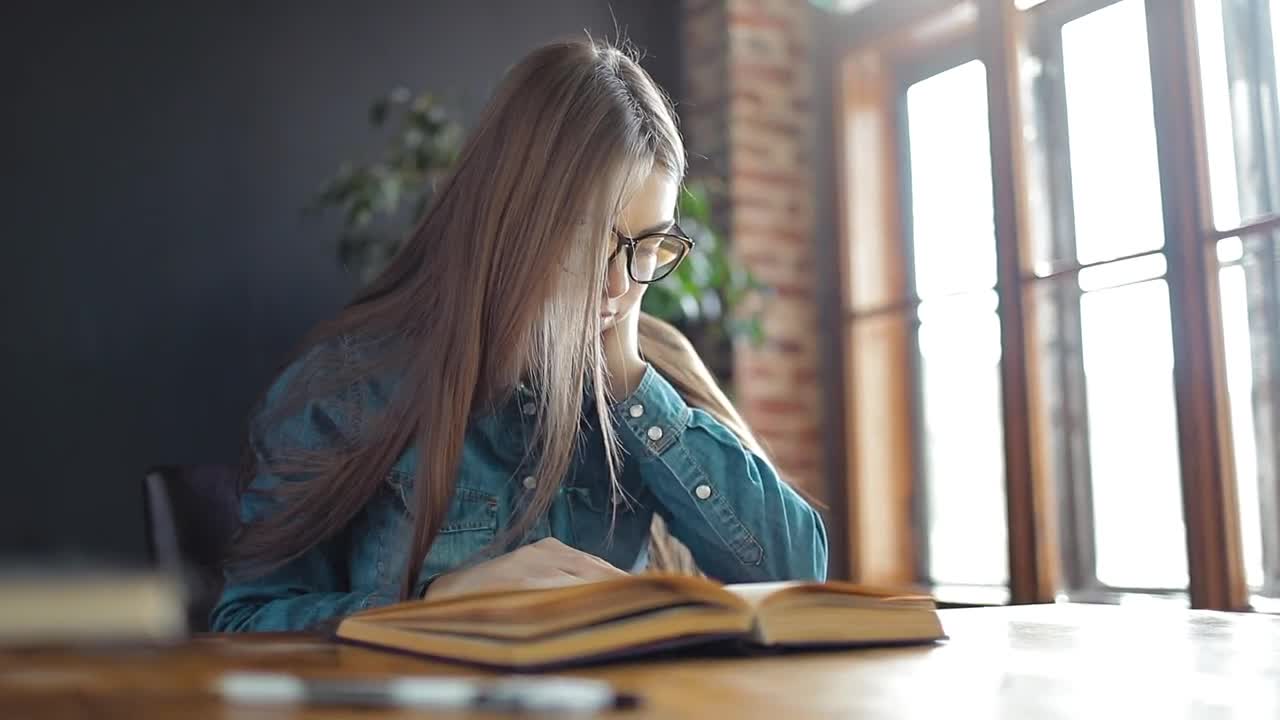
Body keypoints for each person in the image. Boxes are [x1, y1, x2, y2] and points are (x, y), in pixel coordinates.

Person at [211, 38, 827, 633]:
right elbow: (243, 622)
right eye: (589, 237)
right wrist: (435, 606)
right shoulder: (351, 387)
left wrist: (626, 373)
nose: (618, 283)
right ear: (512, 221)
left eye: (646, 245)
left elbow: (798, 577)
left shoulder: (648, 380)